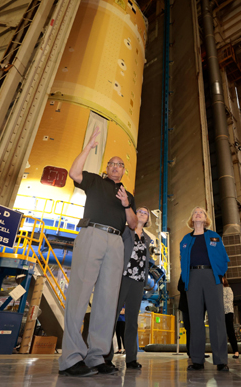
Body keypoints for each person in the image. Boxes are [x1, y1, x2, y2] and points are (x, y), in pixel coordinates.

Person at [58, 126, 137, 377]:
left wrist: (126, 205)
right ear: (107, 169)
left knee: (107, 300)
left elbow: (134, 224)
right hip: (92, 234)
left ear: (124, 171)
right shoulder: (94, 181)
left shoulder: (127, 195)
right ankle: (71, 358)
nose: (116, 167)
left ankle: (97, 356)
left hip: (116, 241)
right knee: (80, 293)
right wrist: (89, 146)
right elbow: (74, 172)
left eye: (120, 165)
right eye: (112, 164)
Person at [180, 207, 229, 371]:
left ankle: (221, 360)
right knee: (195, 320)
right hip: (193, 278)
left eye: (201, 212)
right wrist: (186, 279)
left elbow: (223, 257)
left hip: (211, 276)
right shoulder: (185, 240)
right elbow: (183, 262)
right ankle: (197, 360)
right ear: (192, 219)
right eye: (195, 212)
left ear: (205, 218)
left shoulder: (214, 236)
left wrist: (219, 274)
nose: (198, 214)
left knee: (217, 318)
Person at [104, 207, 154, 369]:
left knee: (132, 321)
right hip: (123, 278)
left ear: (147, 219)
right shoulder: (125, 231)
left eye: (145, 213)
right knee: (112, 316)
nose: (141, 213)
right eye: (139, 211)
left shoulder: (147, 238)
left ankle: (131, 358)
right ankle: (105, 355)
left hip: (138, 281)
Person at [221, 276, 239, 359]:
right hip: (220, 313)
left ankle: (236, 351)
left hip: (228, 312)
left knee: (230, 331)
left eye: (222, 278)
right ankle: (223, 351)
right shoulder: (216, 290)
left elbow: (229, 300)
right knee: (221, 332)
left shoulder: (228, 289)